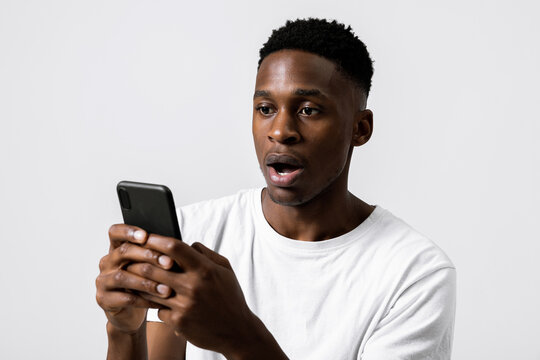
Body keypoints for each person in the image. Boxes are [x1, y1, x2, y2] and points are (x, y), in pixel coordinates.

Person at [96, 18, 456, 360]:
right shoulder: (194, 235)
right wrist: (124, 330)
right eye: (265, 108)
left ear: (360, 129)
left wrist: (239, 335)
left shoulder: (414, 273)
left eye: (309, 110)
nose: (281, 130)